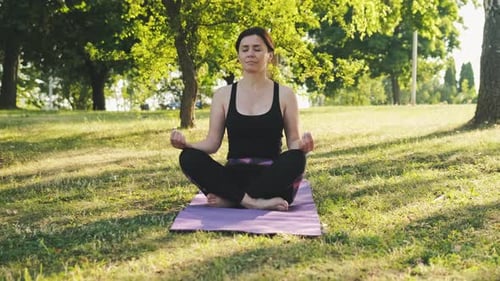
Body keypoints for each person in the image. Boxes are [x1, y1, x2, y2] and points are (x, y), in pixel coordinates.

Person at [170, 27, 314, 211]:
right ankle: (252, 202)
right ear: (238, 56)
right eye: (244, 49)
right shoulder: (223, 95)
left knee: (296, 159)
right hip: (233, 176)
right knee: (188, 158)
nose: (250, 54)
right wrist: (187, 145)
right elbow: (212, 143)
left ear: (270, 55)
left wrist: (302, 146)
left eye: (257, 48)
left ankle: (233, 200)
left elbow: (293, 141)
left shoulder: (285, 95)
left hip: (271, 178)